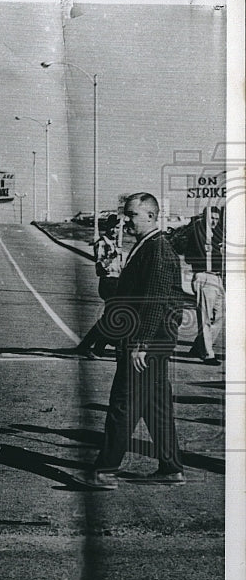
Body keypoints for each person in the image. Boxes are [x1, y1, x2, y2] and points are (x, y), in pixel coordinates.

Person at [85, 192, 185, 489]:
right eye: (126, 214)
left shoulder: (157, 249)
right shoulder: (147, 246)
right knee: (156, 407)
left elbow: (154, 301)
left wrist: (141, 344)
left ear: (152, 216)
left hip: (146, 343)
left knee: (123, 405)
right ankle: (171, 468)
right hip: (152, 341)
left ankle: (105, 470)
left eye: (132, 215)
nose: (126, 220)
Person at [180, 208, 225, 365]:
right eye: (211, 218)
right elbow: (187, 256)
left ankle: (199, 345)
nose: (213, 221)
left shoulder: (218, 235)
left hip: (217, 277)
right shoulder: (198, 235)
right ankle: (207, 353)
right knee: (205, 317)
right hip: (204, 276)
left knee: (220, 315)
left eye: (216, 218)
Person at [76, 214, 124, 359]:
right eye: (112, 227)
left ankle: (99, 347)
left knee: (112, 317)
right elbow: (100, 268)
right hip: (108, 282)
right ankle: (85, 346)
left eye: (117, 228)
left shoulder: (115, 243)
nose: (115, 231)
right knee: (109, 318)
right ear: (107, 227)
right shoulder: (102, 243)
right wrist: (114, 255)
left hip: (116, 281)